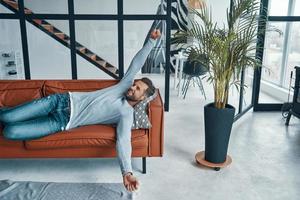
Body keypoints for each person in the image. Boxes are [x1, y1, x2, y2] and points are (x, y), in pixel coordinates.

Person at [0, 29, 161, 192]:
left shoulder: (126, 114)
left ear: (142, 98)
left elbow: (124, 141)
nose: (133, 87)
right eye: (135, 84)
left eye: (138, 88)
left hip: (61, 122)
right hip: (59, 101)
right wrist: (151, 42)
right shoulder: (124, 85)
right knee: (7, 116)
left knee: (10, 132)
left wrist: (127, 172)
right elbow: (136, 63)